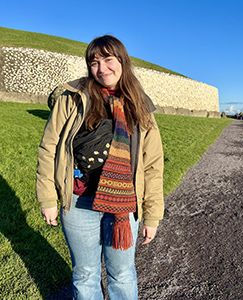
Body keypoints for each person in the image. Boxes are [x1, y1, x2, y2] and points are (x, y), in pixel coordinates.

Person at [36, 35, 164, 300]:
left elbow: (152, 164)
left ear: (122, 61)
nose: (102, 68)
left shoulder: (140, 105)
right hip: (79, 201)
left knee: (123, 274)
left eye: (108, 59)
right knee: (85, 274)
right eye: (94, 62)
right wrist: (48, 197)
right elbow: (49, 148)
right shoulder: (72, 99)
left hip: (124, 205)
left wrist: (151, 215)